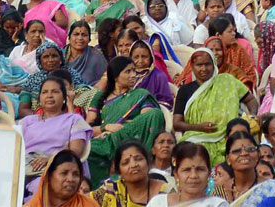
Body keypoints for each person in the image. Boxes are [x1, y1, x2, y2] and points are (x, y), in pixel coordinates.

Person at [84, 56, 168, 187]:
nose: (133, 75)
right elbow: (88, 128)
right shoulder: (100, 97)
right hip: (105, 139)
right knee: (86, 151)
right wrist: (106, 127)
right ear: (116, 76)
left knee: (155, 114)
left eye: (134, 71)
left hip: (132, 138)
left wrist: (121, 129)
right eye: (128, 71)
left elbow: (145, 122)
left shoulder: (140, 94)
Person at [174, 45, 254, 164]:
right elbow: (177, 124)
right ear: (192, 67)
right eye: (199, 65)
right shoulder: (185, 90)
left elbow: (251, 100)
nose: (204, 69)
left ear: (214, 65)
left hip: (227, 136)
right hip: (196, 136)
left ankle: (220, 182)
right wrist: (200, 127)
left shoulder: (227, 81)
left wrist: (252, 116)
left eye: (207, 64)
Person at [20, 75, 92, 191]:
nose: (49, 95)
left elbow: (75, 152)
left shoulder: (74, 120)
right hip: (25, 170)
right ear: (39, 98)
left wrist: (51, 159)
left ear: (64, 97)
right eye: (44, 92)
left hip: (57, 171)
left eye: (55, 92)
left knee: (40, 186)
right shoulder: (26, 121)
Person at [146, 141, 228, 207]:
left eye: (200, 169)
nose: (193, 176)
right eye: (186, 170)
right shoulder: (158, 203)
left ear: (209, 174)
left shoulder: (218, 205)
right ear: (176, 174)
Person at [95, 140, 167, 207]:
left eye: (138, 159)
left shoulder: (166, 191)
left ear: (148, 163)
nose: (133, 165)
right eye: (126, 162)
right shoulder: (110, 189)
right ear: (119, 172)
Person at [23, 150, 99, 207]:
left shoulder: (89, 205)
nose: (70, 179)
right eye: (64, 173)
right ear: (49, 177)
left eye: (76, 174)